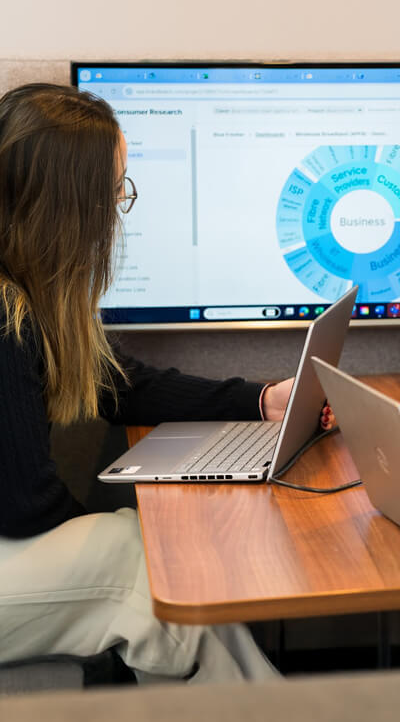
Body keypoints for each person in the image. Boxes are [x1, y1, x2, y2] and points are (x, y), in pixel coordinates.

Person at [0, 83, 332, 683]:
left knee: (155, 563)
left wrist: (260, 400)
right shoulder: (7, 319)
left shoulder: (26, 291)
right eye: (114, 190)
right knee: (145, 564)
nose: (118, 208)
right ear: (67, 206)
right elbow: (25, 508)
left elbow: (120, 386)